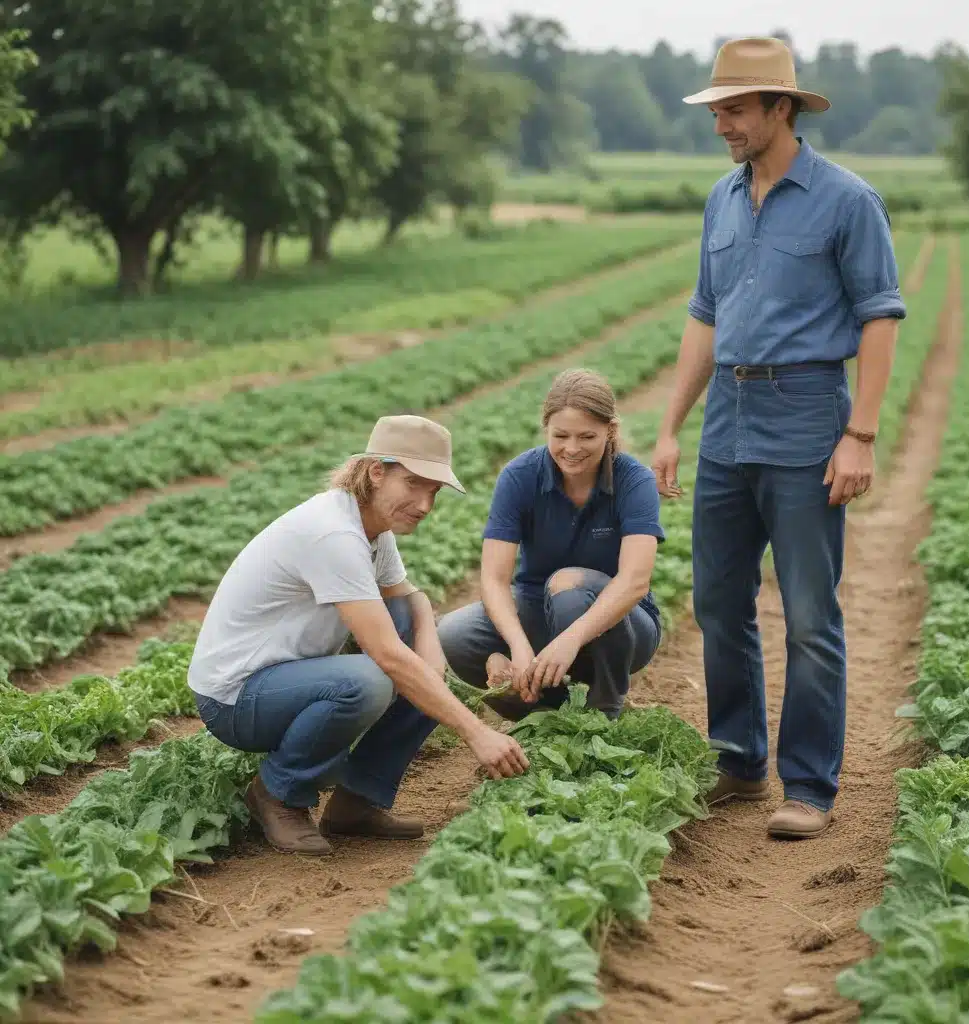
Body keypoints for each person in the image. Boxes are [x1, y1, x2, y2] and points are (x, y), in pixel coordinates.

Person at [651, 37, 906, 840]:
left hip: (806, 414)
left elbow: (879, 319)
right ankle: (736, 758)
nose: (721, 123)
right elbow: (705, 316)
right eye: (717, 109)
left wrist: (859, 433)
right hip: (727, 420)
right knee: (720, 603)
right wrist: (669, 426)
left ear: (780, 109)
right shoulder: (721, 201)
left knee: (806, 611)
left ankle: (809, 785)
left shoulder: (846, 200)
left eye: (733, 108)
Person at [187, 414, 529, 857]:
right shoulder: (333, 533)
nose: (425, 504)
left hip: (286, 677)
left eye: (434, 492)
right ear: (377, 471)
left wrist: (432, 664)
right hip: (235, 698)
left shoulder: (371, 526)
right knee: (372, 679)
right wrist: (476, 733)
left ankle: (357, 799)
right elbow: (387, 655)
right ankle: (278, 793)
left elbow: (410, 599)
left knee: (411, 641)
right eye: (414, 484)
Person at [438, 369, 664, 721]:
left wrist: (569, 639)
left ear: (611, 431)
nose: (572, 449)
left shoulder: (634, 480)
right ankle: (546, 716)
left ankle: (605, 708)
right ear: (546, 429)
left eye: (587, 436)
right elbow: (494, 580)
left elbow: (635, 581)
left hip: (623, 626)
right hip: (536, 609)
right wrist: (518, 645)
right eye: (560, 436)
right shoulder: (520, 476)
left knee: (569, 584)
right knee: (452, 635)